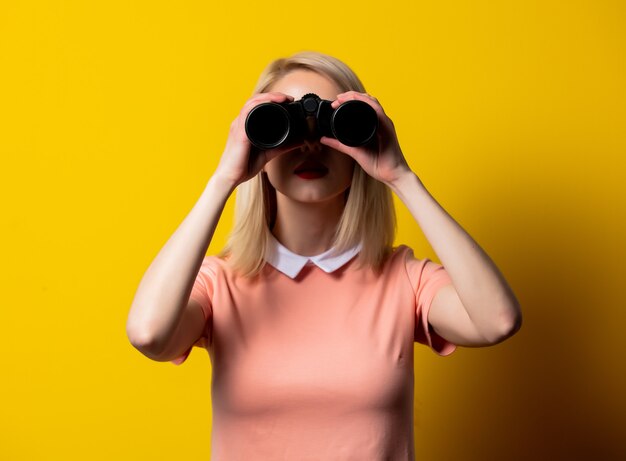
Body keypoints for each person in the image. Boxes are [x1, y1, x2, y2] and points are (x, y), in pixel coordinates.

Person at [126, 50, 522, 460]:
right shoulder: (220, 283)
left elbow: (497, 321)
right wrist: (225, 177)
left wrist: (401, 177)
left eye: (333, 124)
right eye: (291, 127)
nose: (311, 145)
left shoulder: (403, 279)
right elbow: (148, 334)